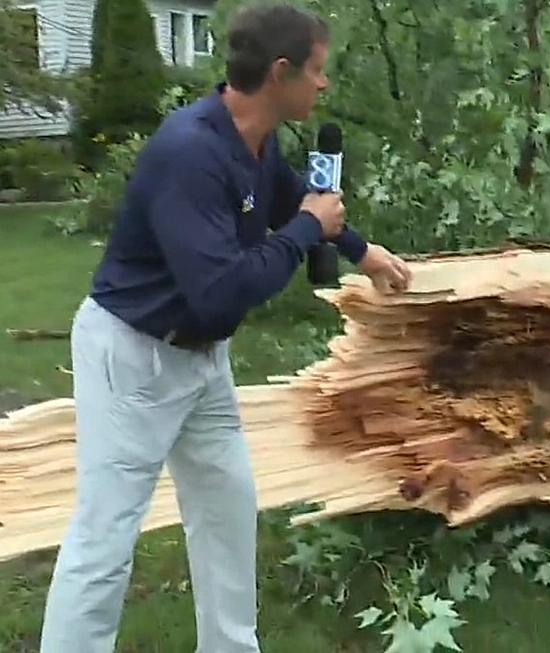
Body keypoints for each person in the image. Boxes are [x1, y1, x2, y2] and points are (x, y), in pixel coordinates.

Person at [38, 5, 411, 652]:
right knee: (105, 540)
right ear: (281, 71)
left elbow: (300, 200)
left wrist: (363, 251)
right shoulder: (192, 153)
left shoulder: (257, 141)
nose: (324, 86)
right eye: (318, 71)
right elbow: (221, 292)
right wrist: (305, 233)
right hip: (134, 359)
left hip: (202, 363)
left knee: (226, 515)